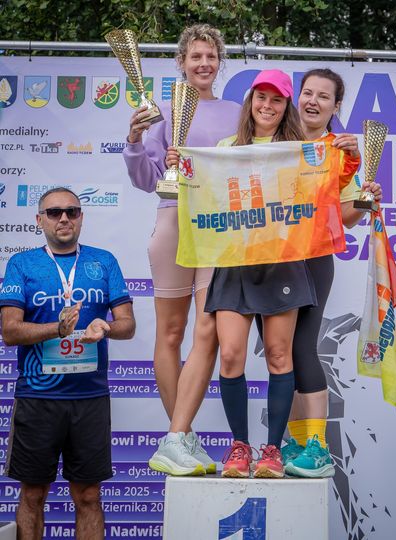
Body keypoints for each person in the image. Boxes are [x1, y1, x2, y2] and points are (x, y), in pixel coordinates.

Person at [123, 24, 241, 475]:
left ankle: (176, 435)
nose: (203, 64)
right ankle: (182, 438)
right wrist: (135, 140)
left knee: (208, 330)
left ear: (219, 61)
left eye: (211, 56)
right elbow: (145, 179)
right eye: (195, 57)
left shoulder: (237, 113)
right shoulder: (159, 112)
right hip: (173, 221)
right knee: (170, 334)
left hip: (218, 229)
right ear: (182, 62)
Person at [203, 69, 324, 479]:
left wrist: (349, 168)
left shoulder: (299, 150)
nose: (267, 106)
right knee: (231, 355)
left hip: (282, 262)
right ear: (251, 100)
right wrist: (181, 169)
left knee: (278, 354)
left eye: (276, 99)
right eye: (261, 97)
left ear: (286, 106)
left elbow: (318, 200)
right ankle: (240, 446)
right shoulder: (226, 148)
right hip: (235, 261)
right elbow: (205, 196)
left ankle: (271, 450)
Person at [0, 187, 136, 540]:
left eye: (72, 212)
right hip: (38, 398)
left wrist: (106, 326)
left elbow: (128, 325)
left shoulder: (103, 261)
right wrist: (56, 329)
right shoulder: (22, 264)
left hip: (89, 399)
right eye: (54, 212)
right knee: (33, 494)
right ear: (39, 220)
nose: (64, 218)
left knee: (89, 495)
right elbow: (10, 331)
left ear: (81, 218)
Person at [279, 68, 382, 478]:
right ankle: (295, 441)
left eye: (324, 96)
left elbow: (347, 217)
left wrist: (365, 198)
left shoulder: (340, 152)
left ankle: (318, 447)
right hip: (270, 259)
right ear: (297, 97)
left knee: (303, 346)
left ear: (336, 106)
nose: (313, 101)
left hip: (314, 259)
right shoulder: (276, 143)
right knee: (280, 350)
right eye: (308, 93)